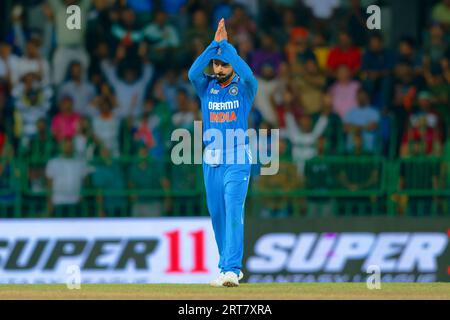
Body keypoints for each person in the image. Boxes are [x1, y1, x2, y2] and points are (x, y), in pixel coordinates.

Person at [188, 18, 257, 287]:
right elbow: (193, 74)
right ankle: (225, 267)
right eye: (216, 63)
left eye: (224, 63)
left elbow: (248, 74)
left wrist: (226, 47)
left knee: (233, 209)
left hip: (237, 156)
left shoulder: (245, 88)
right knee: (217, 214)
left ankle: (232, 268)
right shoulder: (206, 86)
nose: (219, 68)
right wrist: (213, 46)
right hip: (211, 157)